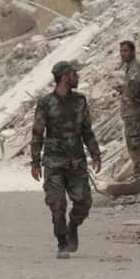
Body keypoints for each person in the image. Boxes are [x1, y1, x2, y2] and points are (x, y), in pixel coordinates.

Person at [31, 61, 102, 259]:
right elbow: (37, 133)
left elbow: (87, 130)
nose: (77, 77)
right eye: (73, 74)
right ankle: (62, 242)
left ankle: (73, 226)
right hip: (54, 162)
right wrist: (35, 162)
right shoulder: (45, 103)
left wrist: (96, 154)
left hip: (76, 162)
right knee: (57, 204)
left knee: (84, 202)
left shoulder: (80, 101)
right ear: (64, 77)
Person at [118, 40, 140, 176]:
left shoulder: (136, 68)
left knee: (135, 141)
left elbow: (133, 89)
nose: (123, 54)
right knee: (133, 141)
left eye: (125, 51)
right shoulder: (130, 68)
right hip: (131, 111)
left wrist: (123, 88)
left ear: (133, 51)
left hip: (135, 110)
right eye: (121, 51)